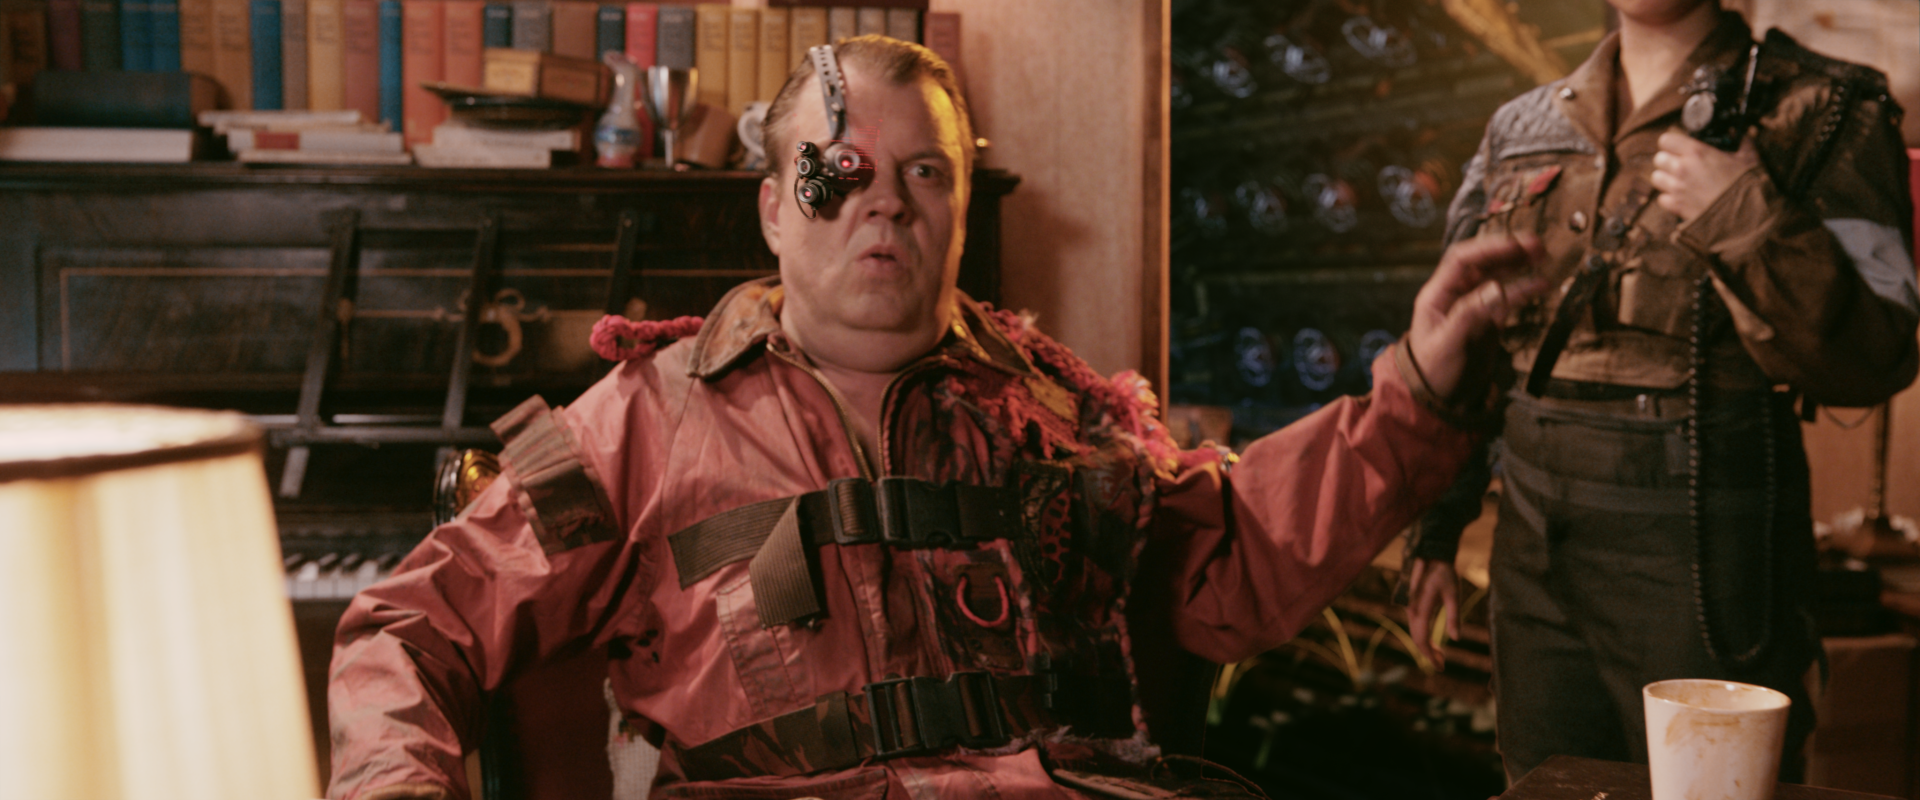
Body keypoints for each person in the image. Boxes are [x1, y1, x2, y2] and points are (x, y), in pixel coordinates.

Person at [327, 36, 1543, 800]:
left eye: (928, 173)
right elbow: (411, 623)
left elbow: (1235, 558)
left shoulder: (1060, 409)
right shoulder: (641, 421)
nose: (889, 205)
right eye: (845, 172)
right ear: (774, 208)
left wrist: (1420, 390)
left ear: (959, 204)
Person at [1400, 0, 1918, 783]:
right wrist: (1437, 528)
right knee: (1546, 786)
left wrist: (1743, 212)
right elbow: (1469, 345)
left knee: (1711, 787)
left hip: (1707, 548)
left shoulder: (1824, 107)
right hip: (1533, 544)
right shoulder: (1523, 128)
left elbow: (1877, 356)